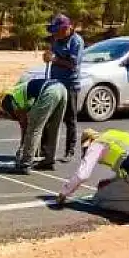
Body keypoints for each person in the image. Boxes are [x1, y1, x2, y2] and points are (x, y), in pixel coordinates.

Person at [0, 77, 68, 172]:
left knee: (34, 129)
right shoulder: (13, 92)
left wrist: (22, 147)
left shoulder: (7, 102)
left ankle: (25, 164)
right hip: (61, 89)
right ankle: (49, 161)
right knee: (54, 128)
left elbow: (25, 125)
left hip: (49, 91)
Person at [43, 14, 84, 161]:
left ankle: (70, 150)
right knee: (49, 116)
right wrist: (48, 56)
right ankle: (45, 150)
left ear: (66, 28)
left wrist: (55, 59)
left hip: (70, 84)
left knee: (70, 118)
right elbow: (53, 55)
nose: (55, 34)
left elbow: (73, 65)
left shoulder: (77, 42)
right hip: (54, 82)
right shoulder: (56, 39)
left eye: (57, 31)